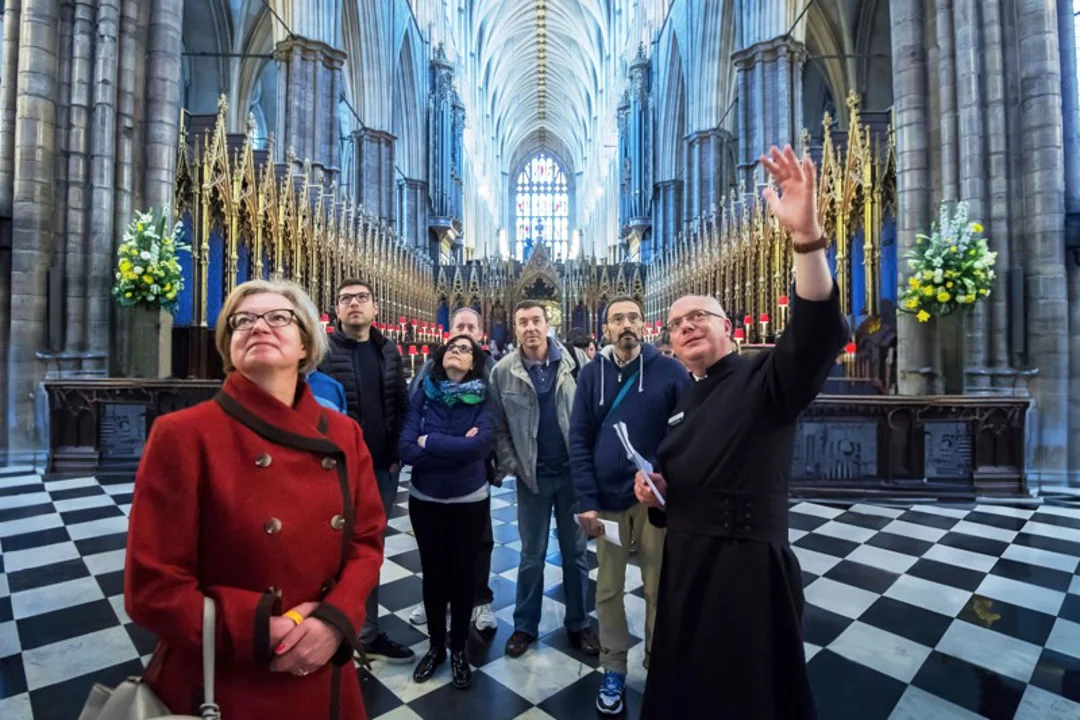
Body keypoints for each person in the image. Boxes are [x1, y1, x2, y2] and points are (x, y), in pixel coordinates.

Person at [635, 146, 848, 719]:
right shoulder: (686, 397)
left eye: (698, 317)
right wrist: (656, 490)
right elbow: (685, 481)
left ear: (727, 327)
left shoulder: (765, 377)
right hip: (687, 568)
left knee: (747, 697)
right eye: (676, 324)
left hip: (745, 574)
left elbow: (814, 334)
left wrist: (806, 239)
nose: (686, 327)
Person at [125, 280, 385, 719]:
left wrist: (333, 622)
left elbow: (366, 541)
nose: (259, 327)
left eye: (278, 317)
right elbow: (152, 586)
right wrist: (261, 630)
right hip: (225, 678)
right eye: (242, 321)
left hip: (321, 670)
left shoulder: (344, 433)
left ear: (305, 344)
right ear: (229, 346)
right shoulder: (183, 434)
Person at [569, 296, 690, 715]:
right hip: (607, 502)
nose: (626, 324)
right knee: (608, 589)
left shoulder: (671, 372)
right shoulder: (591, 374)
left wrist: (663, 478)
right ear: (605, 329)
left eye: (633, 317)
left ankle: (659, 663)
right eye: (617, 318)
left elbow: (687, 436)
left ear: (645, 325)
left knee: (659, 587)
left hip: (654, 502)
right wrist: (586, 499)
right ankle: (613, 667)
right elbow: (579, 439)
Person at [489, 300, 601, 658]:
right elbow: (498, 425)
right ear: (515, 328)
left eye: (536, 320)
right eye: (523, 322)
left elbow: (594, 412)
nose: (530, 327)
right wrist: (515, 464)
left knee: (576, 554)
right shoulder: (503, 370)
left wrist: (590, 466)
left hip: (572, 475)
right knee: (531, 555)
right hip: (532, 478)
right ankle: (524, 626)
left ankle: (579, 624)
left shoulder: (576, 360)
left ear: (547, 322)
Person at [321, 279, 415, 665]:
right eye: (346, 299)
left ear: (375, 308)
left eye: (362, 298)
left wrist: (397, 454)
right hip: (334, 472)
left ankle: (368, 632)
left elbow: (403, 406)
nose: (354, 304)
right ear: (337, 309)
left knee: (368, 549)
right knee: (328, 551)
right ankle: (328, 628)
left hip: (381, 468)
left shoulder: (388, 350)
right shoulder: (321, 352)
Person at [398, 335, 496, 689]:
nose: (457, 351)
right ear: (441, 357)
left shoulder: (485, 397)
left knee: (463, 575)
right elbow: (406, 447)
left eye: (466, 349)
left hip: (469, 498)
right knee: (434, 574)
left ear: (475, 363)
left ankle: (459, 649)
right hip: (426, 498)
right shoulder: (424, 393)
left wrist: (431, 441)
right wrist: (455, 448)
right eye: (452, 347)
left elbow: (479, 447)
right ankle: (436, 646)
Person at [406, 307, 500, 634]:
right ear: (449, 332)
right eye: (459, 325)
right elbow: (413, 416)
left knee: (479, 540)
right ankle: (437, 598)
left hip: (475, 473)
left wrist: (433, 442)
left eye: (470, 327)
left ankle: (480, 598)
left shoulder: (490, 369)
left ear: (480, 332)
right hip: (432, 476)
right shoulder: (430, 368)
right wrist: (454, 444)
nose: (464, 331)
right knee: (434, 543)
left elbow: (494, 423)